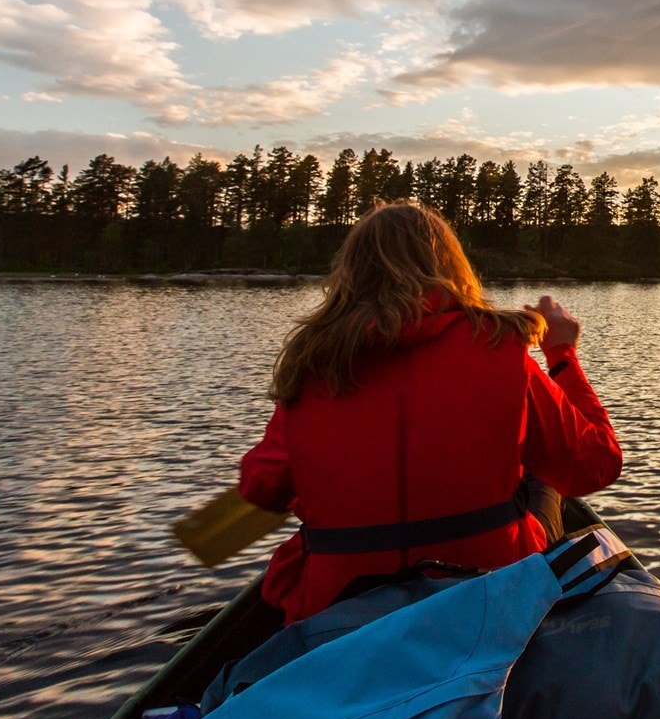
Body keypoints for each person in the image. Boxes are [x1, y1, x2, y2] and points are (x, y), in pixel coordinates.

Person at [238, 200, 621, 624]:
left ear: (351, 272)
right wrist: (562, 354)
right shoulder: (502, 348)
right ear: (451, 267)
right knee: (541, 477)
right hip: (488, 600)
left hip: (338, 612)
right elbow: (596, 466)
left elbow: (261, 488)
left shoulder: (313, 364)